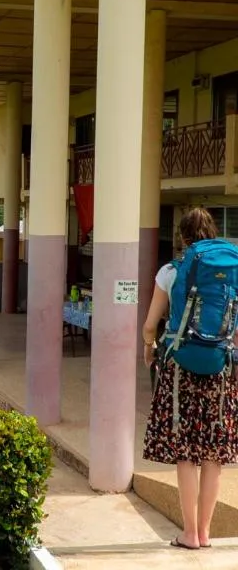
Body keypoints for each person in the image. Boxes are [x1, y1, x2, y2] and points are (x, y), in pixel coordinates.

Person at [142, 207, 238, 550]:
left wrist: (149, 348)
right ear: (212, 234)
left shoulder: (171, 271)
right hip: (220, 372)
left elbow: (151, 324)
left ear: (183, 238)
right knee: (214, 454)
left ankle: (189, 534)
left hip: (180, 368)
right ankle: (207, 533)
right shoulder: (231, 272)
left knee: (186, 453)